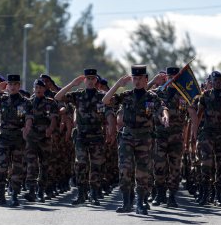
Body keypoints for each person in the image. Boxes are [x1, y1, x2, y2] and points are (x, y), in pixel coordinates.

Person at [102, 65, 169, 215]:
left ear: (146, 80)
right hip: (127, 137)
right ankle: (126, 203)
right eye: (135, 78)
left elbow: (163, 108)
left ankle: (140, 203)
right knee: (125, 170)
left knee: (142, 172)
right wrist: (118, 84)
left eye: (140, 78)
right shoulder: (125, 95)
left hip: (144, 139)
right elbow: (106, 100)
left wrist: (165, 117)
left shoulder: (152, 97)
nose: (137, 81)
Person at [55, 68, 115, 206]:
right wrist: (72, 84)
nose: (90, 81)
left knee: (96, 166)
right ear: (84, 80)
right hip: (81, 136)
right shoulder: (78, 95)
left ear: (96, 80)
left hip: (97, 136)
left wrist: (111, 132)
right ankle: (82, 194)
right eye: (87, 78)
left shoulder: (102, 97)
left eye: (92, 78)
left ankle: (94, 194)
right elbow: (58, 97)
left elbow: (109, 114)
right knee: (81, 165)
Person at [0, 74, 32, 207]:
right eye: (10, 84)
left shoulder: (25, 102)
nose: (13, 87)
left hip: (17, 139)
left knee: (17, 168)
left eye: (15, 84)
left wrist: (27, 128)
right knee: (1, 168)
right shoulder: (2, 99)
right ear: (7, 86)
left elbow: (27, 118)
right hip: (3, 139)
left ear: (19, 86)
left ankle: (14, 195)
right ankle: (1, 195)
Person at [150, 67, 195, 208]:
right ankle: (160, 193)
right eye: (170, 76)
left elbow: (192, 113)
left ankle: (172, 196)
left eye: (175, 77)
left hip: (176, 137)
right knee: (159, 166)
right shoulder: (157, 93)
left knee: (175, 167)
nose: (172, 79)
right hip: (160, 136)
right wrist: (153, 81)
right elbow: (140, 94)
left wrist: (194, 131)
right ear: (165, 77)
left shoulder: (184, 95)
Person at [195, 71, 221, 207]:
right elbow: (199, 114)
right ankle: (204, 194)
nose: (218, 83)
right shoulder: (205, 96)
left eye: (220, 81)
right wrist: (196, 133)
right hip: (207, 134)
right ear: (211, 81)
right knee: (206, 164)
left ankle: (217, 196)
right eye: (215, 80)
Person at [23, 79, 58, 203]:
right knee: (31, 164)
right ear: (33, 88)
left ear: (44, 89)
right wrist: (26, 129)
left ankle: (41, 191)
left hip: (45, 138)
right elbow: (26, 117)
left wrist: (50, 128)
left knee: (44, 165)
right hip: (32, 138)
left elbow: (54, 119)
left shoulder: (50, 103)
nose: (38, 89)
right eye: (36, 87)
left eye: (40, 87)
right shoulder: (28, 102)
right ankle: (31, 191)